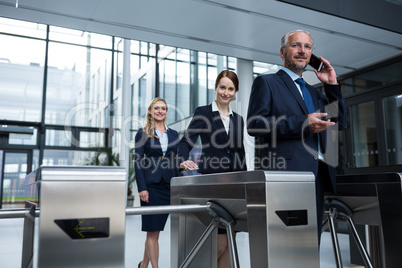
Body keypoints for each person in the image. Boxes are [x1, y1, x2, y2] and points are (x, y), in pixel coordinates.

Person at [247, 30, 347, 243]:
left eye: (308, 47)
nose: (302, 51)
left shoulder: (315, 92)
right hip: (287, 175)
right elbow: (255, 125)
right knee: (288, 243)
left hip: (318, 175)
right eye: (296, 46)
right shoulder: (266, 82)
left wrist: (332, 86)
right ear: (282, 52)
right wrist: (303, 123)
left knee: (311, 243)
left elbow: (340, 123)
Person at [178, 70, 247, 268]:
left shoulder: (238, 119)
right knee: (219, 242)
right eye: (222, 87)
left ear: (236, 91)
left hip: (234, 184)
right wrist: (183, 160)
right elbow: (186, 141)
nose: (226, 92)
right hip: (213, 182)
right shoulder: (204, 112)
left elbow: (239, 152)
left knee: (230, 241)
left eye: (231, 89)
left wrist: (246, 183)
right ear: (216, 87)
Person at [134, 97, 180, 268]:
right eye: (156, 108)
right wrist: (142, 188)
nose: (160, 111)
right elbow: (137, 161)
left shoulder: (174, 134)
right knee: (152, 232)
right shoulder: (143, 132)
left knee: (156, 231)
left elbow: (175, 160)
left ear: (166, 111)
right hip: (151, 186)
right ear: (150, 111)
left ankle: (143, 265)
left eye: (163, 108)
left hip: (168, 185)